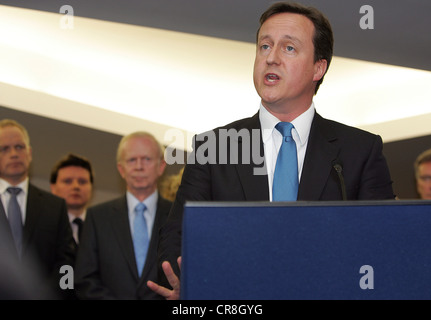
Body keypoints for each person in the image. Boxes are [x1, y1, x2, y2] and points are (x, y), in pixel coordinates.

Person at [147, 2, 395, 299]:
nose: (271, 58)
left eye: (289, 48)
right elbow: (178, 236)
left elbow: (384, 246)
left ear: (319, 67)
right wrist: (188, 283)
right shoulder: (212, 148)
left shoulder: (360, 151)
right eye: (265, 46)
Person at [74, 131, 173, 299]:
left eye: (147, 159)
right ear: (121, 169)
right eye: (132, 160)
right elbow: (85, 279)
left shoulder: (178, 216)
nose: (139, 166)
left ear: (161, 166)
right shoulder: (97, 217)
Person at [0, 119, 76, 299]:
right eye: (4, 148)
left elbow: (68, 263)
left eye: (19, 147)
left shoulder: (55, 206)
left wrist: (51, 294)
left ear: (30, 153)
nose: (13, 154)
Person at [50, 153, 94, 245]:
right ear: (53, 188)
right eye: (67, 181)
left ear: (91, 187)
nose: (76, 186)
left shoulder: (101, 228)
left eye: (82, 182)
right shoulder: (44, 227)